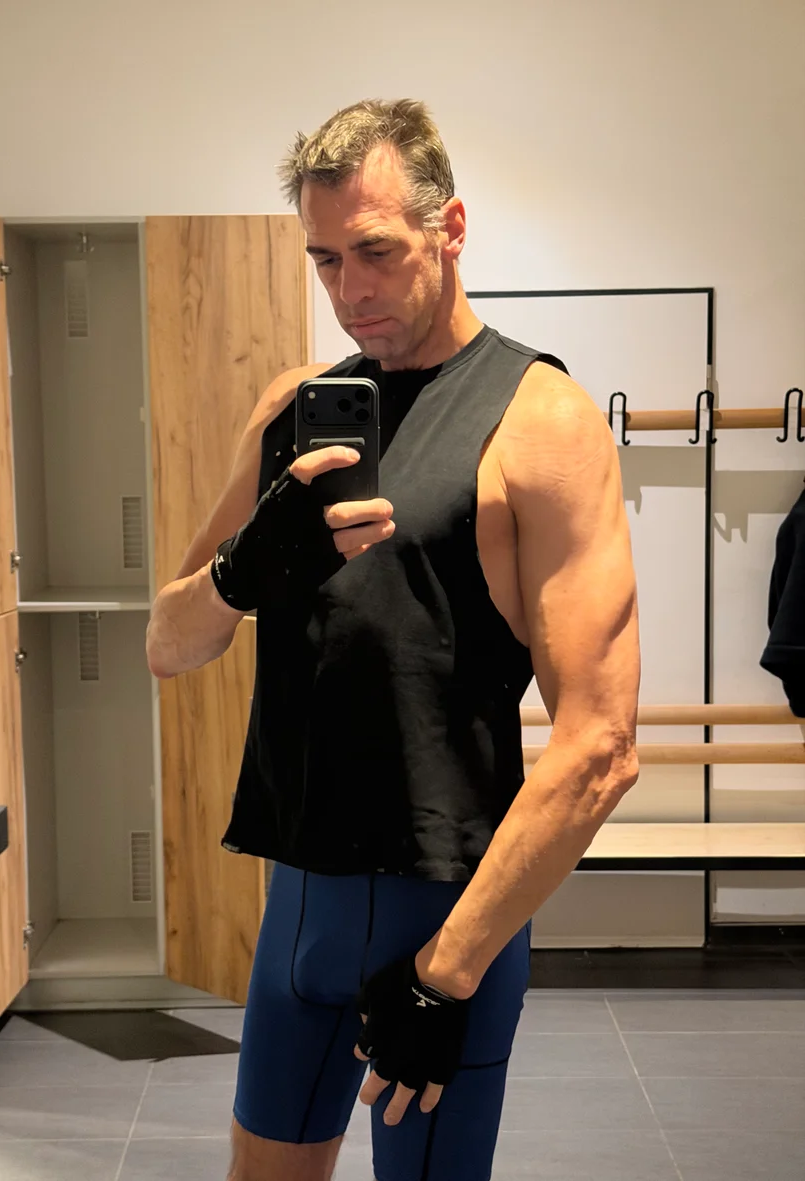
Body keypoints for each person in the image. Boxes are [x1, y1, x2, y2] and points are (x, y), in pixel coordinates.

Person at [146, 99, 640, 1181]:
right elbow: (168, 643)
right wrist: (241, 572)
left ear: (449, 227)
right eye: (325, 260)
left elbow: (601, 746)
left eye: (375, 251)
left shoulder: (541, 419)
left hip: (445, 915)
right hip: (299, 910)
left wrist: (446, 973)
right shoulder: (294, 408)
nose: (350, 290)